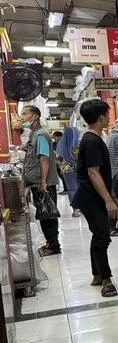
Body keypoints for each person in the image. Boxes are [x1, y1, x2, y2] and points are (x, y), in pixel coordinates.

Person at [73, 99, 118, 298]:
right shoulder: (91, 141)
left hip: (91, 196)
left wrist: (111, 196)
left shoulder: (92, 138)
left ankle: (97, 274)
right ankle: (106, 280)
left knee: (98, 234)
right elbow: (93, 172)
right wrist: (108, 200)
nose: (109, 118)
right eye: (107, 115)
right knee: (102, 236)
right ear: (101, 117)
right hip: (92, 198)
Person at [20, 105, 61, 256]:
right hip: (37, 182)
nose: (22, 117)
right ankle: (50, 243)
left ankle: (54, 245)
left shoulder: (41, 135)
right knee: (44, 214)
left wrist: (43, 181)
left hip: (43, 183)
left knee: (48, 214)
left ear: (35, 116)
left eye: (25, 114)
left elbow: (44, 159)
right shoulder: (34, 134)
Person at [56, 126, 82, 218]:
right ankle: (82, 207)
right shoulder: (77, 144)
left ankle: (75, 209)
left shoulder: (60, 144)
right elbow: (81, 158)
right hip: (79, 169)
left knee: (71, 189)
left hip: (66, 170)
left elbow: (58, 160)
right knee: (80, 188)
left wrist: (63, 166)